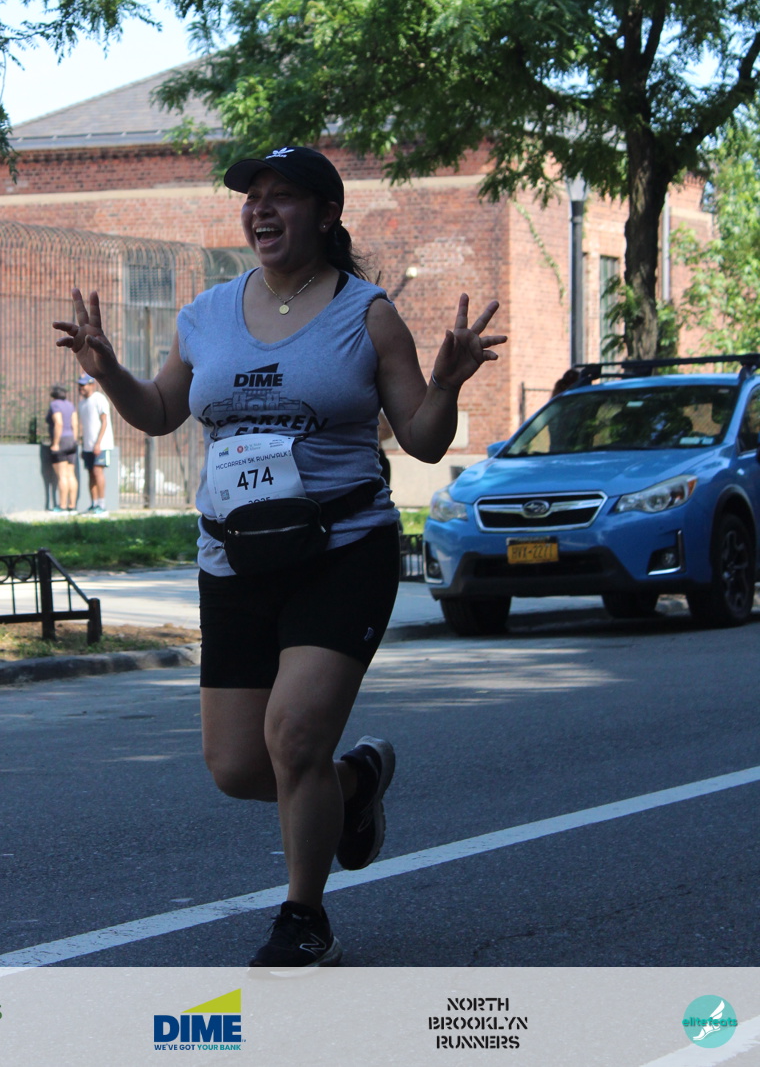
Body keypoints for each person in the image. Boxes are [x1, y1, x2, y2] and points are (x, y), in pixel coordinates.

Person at [53, 145, 505, 967]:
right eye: (252, 197)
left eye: (282, 196)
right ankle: (355, 784)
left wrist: (446, 384)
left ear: (327, 215)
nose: (261, 209)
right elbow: (158, 411)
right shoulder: (206, 314)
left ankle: (304, 916)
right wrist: (108, 369)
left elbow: (423, 440)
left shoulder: (366, 314)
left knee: (293, 738)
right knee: (235, 765)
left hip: (343, 549)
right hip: (234, 557)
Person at [76, 373, 114, 513]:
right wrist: (83, 445)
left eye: (83, 385)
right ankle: (94, 503)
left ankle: (102, 505)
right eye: (79, 385)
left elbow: (104, 421)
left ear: (92, 385)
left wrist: (98, 443)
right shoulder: (82, 404)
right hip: (88, 446)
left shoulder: (99, 398)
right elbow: (85, 427)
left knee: (98, 471)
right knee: (91, 473)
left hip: (101, 445)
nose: (81, 388)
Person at [46, 384, 78, 511]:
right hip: (71, 440)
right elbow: (75, 423)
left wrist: (55, 443)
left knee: (62, 475)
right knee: (71, 474)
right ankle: (72, 506)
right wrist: (74, 440)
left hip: (61, 440)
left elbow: (58, 423)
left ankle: (62, 506)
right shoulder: (70, 405)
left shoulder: (55, 405)